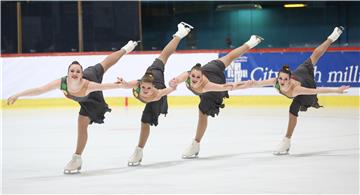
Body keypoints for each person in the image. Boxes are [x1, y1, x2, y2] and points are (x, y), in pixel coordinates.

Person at [7, 40, 138, 173]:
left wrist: (122, 85)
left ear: (81, 75)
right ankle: (77, 159)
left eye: (77, 71)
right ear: (68, 73)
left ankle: (125, 49)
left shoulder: (88, 84)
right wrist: (18, 94)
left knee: (106, 63)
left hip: (92, 98)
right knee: (104, 64)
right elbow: (40, 90)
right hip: (83, 92)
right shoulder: (62, 83)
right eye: (72, 71)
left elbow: (105, 86)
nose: (74, 73)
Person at [240, 26, 350, 155]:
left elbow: (317, 90)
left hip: (306, 85)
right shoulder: (276, 82)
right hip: (300, 72)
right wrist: (247, 84)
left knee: (293, 108)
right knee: (313, 56)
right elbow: (257, 83)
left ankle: (332, 37)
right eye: (280, 78)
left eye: (284, 79)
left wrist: (337, 90)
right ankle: (287, 143)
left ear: (289, 79)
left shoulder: (296, 89)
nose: (281, 81)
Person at [170, 35, 263, 158]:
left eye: (198, 77)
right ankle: (250, 43)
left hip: (215, 87)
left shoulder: (207, 86)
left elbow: (228, 87)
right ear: (190, 74)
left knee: (202, 113)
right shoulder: (189, 75)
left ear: (202, 77)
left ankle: (195, 144)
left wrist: (246, 85)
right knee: (228, 57)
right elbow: (179, 78)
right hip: (209, 69)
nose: (195, 79)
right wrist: (175, 81)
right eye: (193, 76)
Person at [117, 22, 193, 166]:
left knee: (145, 121)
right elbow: (129, 85)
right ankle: (180, 34)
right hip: (151, 73)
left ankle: (138, 151)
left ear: (152, 88)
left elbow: (168, 91)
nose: (145, 90)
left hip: (157, 82)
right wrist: (124, 83)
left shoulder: (157, 93)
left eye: (147, 89)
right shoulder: (140, 84)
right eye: (143, 88)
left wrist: (174, 85)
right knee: (164, 55)